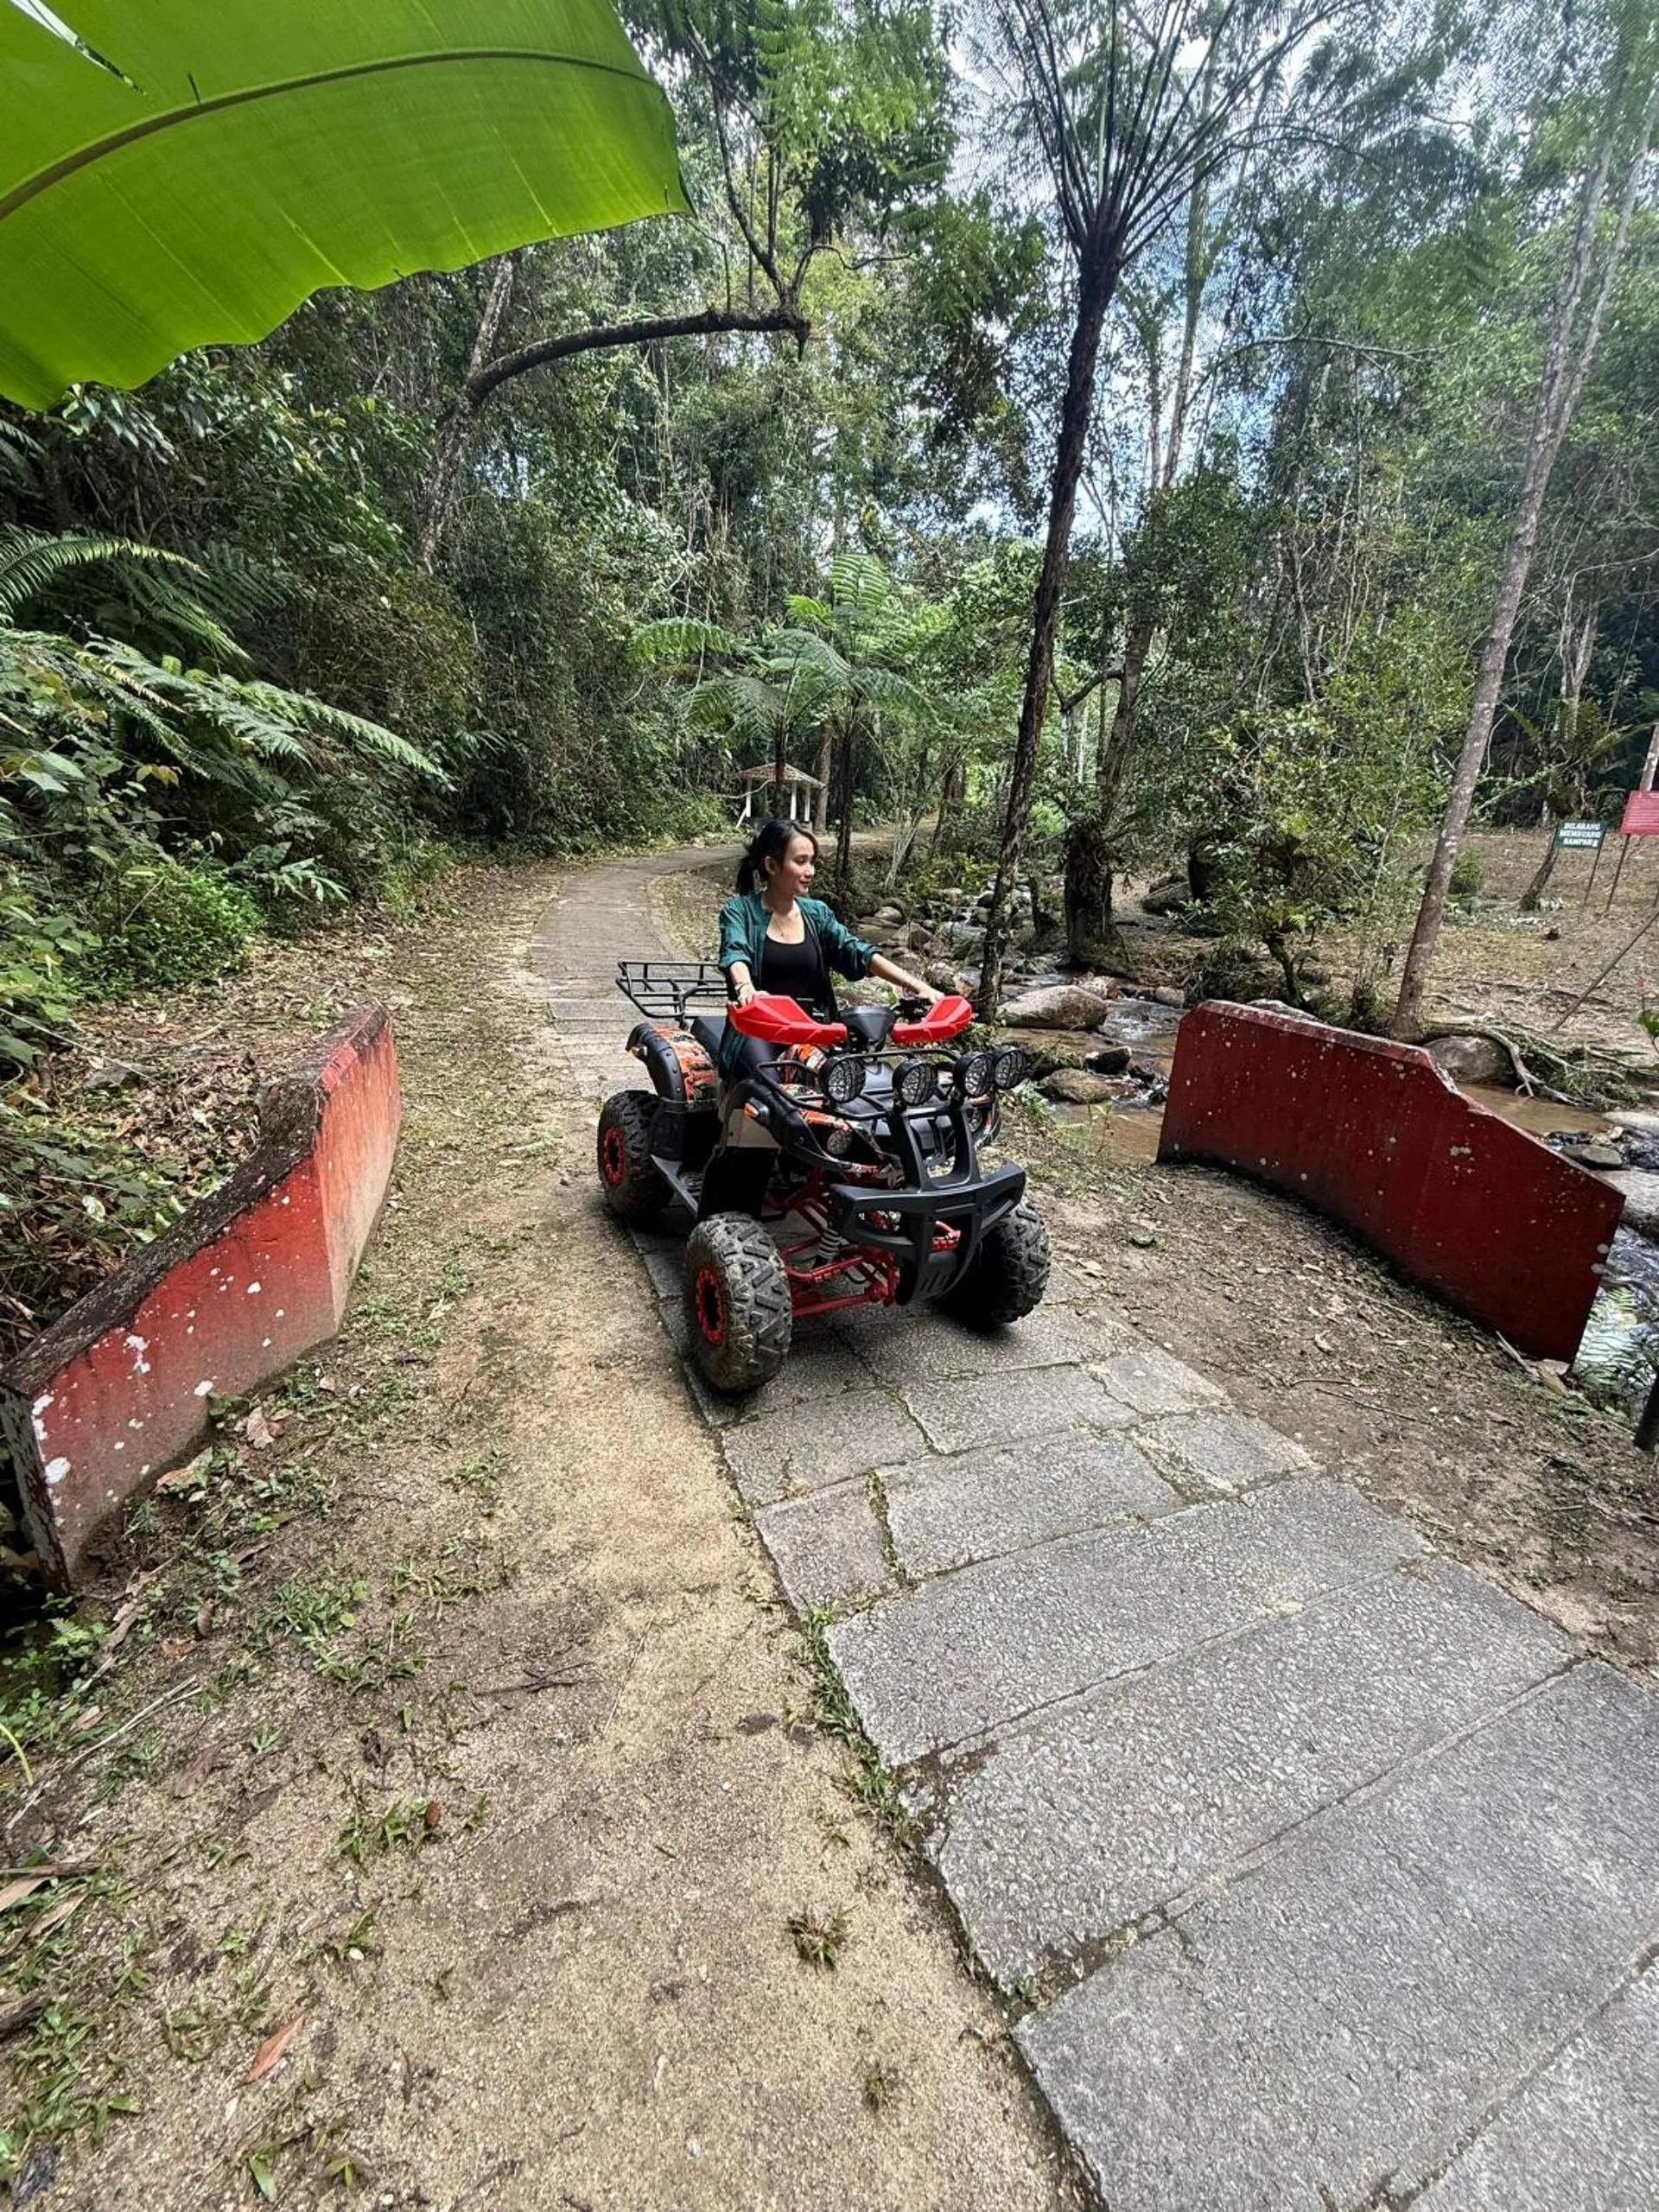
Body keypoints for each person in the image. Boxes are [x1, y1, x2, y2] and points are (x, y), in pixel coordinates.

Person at [715, 821, 939, 1075]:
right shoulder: (740, 911)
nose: (810, 870)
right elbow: (735, 952)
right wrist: (747, 989)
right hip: (757, 1029)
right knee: (772, 1093)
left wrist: (917, 986)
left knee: (855, 1085)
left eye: (812, 862)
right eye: (801, 861)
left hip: (816, 1029)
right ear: (772, 866)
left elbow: (858, 952)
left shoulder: (817, 914)